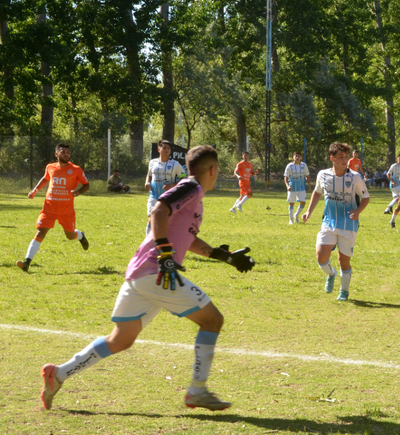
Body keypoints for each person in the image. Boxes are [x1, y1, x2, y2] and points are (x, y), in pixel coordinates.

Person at [39, 145, 255, 411]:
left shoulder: (192, 195)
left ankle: (58, 374)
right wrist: (165, 253)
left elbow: (186, 237)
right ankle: (197, 391)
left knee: (120, 339)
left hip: (141, 274)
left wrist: (225, 256)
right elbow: (158, 210)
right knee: (212, 321)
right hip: (158, 273)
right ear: (212, 170)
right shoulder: (193, 188)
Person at [302, 142, 370, 301]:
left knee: (343, 261)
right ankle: (331, 274)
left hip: (348, 224)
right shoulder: (323, 175)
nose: (345, 160)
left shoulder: (355, 177)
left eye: (346, 157)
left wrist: (358, 211)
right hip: (329, 222)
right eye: (341, 157)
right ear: (332, 158)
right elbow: (317, 193)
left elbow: (366, 197)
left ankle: (344, 291)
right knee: (321, 257)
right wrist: (308, 212)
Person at [16, 143, 90, 272]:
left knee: (70, 235)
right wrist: (34, 190)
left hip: (66, 211)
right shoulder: (50, 167)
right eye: (63, 152)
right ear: (56, 154)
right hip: (49, 208)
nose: (66, 154)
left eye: (68, 152)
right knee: (40, 232)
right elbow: (45, 178)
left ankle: (80, 236)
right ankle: (27, 262)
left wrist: (78, 192)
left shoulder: (76, 169)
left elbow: (86, 185)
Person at [145, 140, 185, 233]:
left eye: (168, 148)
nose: (166, 150)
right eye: (164, 148)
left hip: (168, 198)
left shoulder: (175, 164)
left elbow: (184, 179)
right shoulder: (152, 162)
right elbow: (149, 174)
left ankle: (164, 241)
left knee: (166, 221)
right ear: (159, 149)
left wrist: (172, 185)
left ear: (170, 151)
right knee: (151, 218)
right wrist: (147, 182)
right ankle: (148, 242)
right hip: (153, 196)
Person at [284, 151, 310, 224]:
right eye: (296, 156)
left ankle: (296, 215)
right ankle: (291, 220)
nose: (297, 157)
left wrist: (309, 184)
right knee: (291, 203)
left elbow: (307, 175)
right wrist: (287, 186)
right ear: (293, 157)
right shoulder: (289, 166)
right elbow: (286, 177)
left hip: (301, 187)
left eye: (298, 156)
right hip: (292, 188)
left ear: (301, 157)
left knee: (303, 202)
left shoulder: (304, 165)